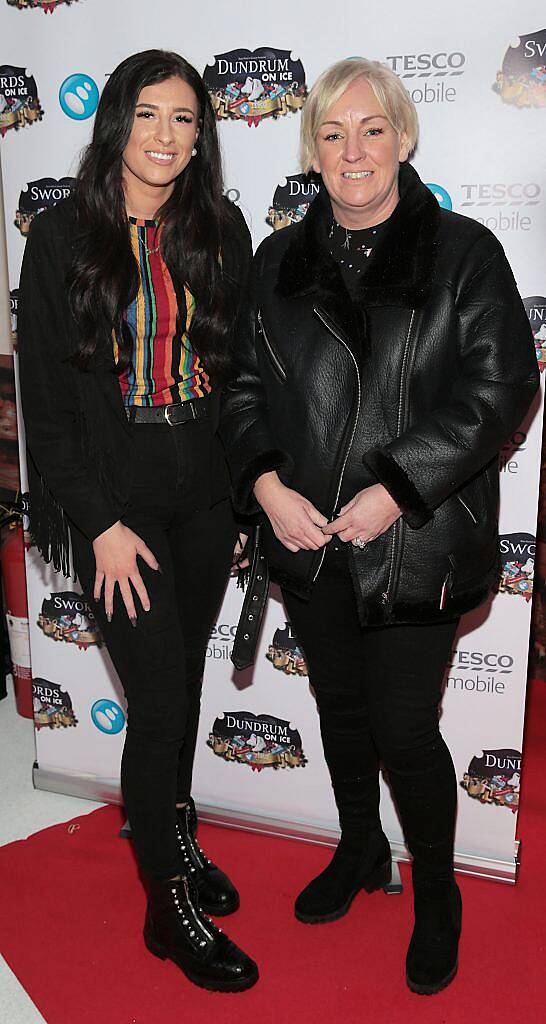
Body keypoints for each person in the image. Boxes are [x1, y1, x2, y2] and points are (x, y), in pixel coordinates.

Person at [220, 57, 539, 995]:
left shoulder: (465, 251)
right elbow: (240, 388)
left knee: (405, 729)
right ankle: (361, 847)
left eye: (371, 129)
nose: (353, 149)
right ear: (310, 149)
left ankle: (437, 892)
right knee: (339, 716)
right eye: (332, 132)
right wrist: (266, 484)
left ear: (404, 138)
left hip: (418, 543)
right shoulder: (277, 261)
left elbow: (501, 388)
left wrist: (398, 489)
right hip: (310, 539)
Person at [18, 49, 258, 993]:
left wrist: (244, 494)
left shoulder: (221, 228)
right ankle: (168, 904)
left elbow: (239, 377)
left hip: (204, 487)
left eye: (186, 120)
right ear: (116, 121)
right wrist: (101, 522)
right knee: (157, 704)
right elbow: (47, 399)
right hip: (119, 501)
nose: (167, 137)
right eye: (150, 115)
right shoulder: (62, 239)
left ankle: (177, 839)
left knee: (181, 689)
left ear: (203, 136)